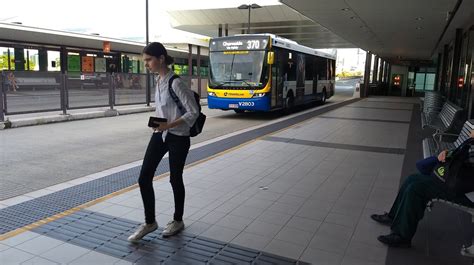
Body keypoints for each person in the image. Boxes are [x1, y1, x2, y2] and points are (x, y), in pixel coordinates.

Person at [128, 42, 199, 242]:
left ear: (161, 58)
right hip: (161, 135)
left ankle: (178, 220)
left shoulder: (176, 82)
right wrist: (158, 124)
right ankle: (150, 222)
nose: (146, 64)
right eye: (145, 61)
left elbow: (193, 112)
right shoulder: (158, 81)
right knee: (144, 178)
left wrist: (169, 125)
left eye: (149, 60)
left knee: (175, 179)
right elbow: (164, 110)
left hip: (178, 137)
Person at [371, 130, 474, 248]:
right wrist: (448, 153)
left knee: (416, 188)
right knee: (412, 178)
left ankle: (403, 236)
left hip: (464, 191)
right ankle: (393, 216)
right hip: (458, 182)